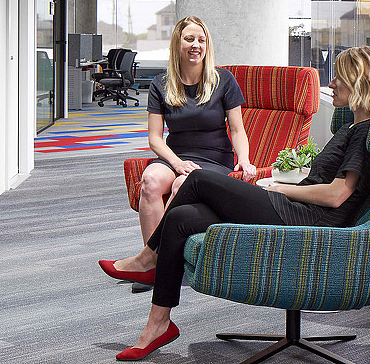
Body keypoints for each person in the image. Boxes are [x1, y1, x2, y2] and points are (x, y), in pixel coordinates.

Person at [101, 45, 370, 361]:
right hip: (297, 211)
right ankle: (159, 324)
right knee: (182, 217)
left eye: (339, 78)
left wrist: (281, 190)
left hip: (307, 222)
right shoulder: (352, 126)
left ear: (358, 82)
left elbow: (337, 194)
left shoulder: (365, 132)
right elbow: (323, 180)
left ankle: (148, 258)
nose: (332, 84)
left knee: (198, 180)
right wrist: (284, 181)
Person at [100, 16, 256, 285]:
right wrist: (177, 161)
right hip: (175, 155)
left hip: (215, 158)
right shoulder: (161, 84)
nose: (196, 45)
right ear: (177, 43)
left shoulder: (223, 80)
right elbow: (155, 139)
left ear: (207, 45)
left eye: (201, 40)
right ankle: (158, 265)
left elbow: (237, 130)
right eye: (189, 39)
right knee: (149, 181)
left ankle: (153, 260)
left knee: (182, 185)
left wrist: (244, 159)